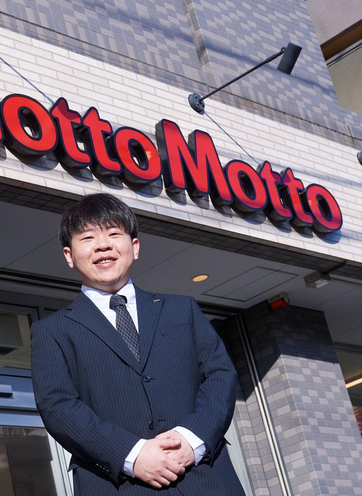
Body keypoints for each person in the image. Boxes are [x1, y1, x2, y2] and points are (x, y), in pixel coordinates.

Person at [30, 193, 245, 495]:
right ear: (69, 255)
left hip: (205, 478)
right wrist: (132, 454)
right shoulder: (51, 330)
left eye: (113, 234)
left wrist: (192, 439)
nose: (103, 245)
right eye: (88, 237)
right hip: (116, 484)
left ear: (135, 247)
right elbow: (58, 406)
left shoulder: (181, 309)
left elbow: (220, 374)